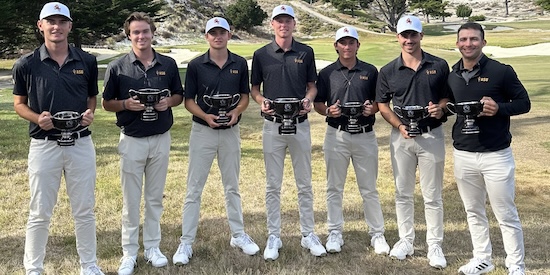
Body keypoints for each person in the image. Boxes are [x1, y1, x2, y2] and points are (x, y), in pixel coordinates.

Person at [12, 2, 104, 275]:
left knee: (85, 210)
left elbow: (91, 97)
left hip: (80, 142)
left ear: (69, 26)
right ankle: (34, 268)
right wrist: (36, 117)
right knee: (40, 211)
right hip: (44, 145)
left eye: (62, 21)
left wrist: (90, 114)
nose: (56, 26)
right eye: (50, 21)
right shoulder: (26, 64)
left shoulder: (86, 61)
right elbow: (19, 103)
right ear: (40, 26)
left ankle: (89, 265)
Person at [171, 17, 260, 266]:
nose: (217, 36)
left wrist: (237, 112)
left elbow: (244, 96)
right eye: (213, 33)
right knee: (194, 188)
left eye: (222, 32)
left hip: (231, 131)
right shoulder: (197, 65)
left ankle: (238, 235)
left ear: (229, 35)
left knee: (232, 186)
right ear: (206, 36)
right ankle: (186, 241)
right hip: (203, 131)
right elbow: (189, 100)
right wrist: (205, 116)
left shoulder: (239, 63)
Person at [102, 12, 184, 275]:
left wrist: (167, 102)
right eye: (136, 32)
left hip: (160, 137)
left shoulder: (168, 64)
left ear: (153, 33)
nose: (141, 36)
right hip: (132, 138)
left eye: (145, 31)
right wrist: (126, 104)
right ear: (129, 35)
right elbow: (106, 103)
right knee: (131, 199)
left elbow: (178, 95)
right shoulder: (118, 67)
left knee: (154, 198)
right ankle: (129, 252)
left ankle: (152, 247)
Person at [448, 22, 530, 275]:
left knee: (505, 213)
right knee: (473, 211)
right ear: (457, 43)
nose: (468, 44)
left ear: (483, 42)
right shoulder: (451, 74)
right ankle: (482, 259)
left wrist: (499, 108)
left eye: (474, 39)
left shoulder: (501, 71)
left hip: (496, 155)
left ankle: (516, 266)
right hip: (463, 153)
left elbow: (524, 103)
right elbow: (446, 104)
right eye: (463, 39)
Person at [250, 4, 327, 260]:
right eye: (278, 21)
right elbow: (255, 88)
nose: (283, 24)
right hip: (272, 126)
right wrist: (261, 101)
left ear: (294, 24)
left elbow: (312, 86)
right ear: (272, 24)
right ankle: (274, 235)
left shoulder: (306, 52)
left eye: (288, 20)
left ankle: (308, 234)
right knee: (273, 185)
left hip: (300, 125)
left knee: (304, 183)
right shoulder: (261, 54)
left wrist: (308, 99)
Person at [375, 15, 449, 269]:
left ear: (421, 36)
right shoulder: (387, 71)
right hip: (401, 137)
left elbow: (446, 99)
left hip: (432, 135)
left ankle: (434, 245)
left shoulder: (439, 65)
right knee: (403, 193)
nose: (409, 40)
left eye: (413, 35)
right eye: (404, 35)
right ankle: (406, 240)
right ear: (398, 37)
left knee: (432, 195)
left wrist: (439, 109)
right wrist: (398, 125)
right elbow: (382, 104)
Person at [313, 26, 390, 255]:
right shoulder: (327, 73)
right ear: (336, 46)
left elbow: (379, 102)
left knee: (369, 188)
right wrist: (328, 111)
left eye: (351, 42)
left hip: (365, 135)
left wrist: (371, 109)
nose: (347, 47)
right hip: (337, 134)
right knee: (334, 187)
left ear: (358, 45)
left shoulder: (370, 71)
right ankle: (334, 231)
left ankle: (377, 233)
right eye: (342, 43)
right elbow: (318, 104)